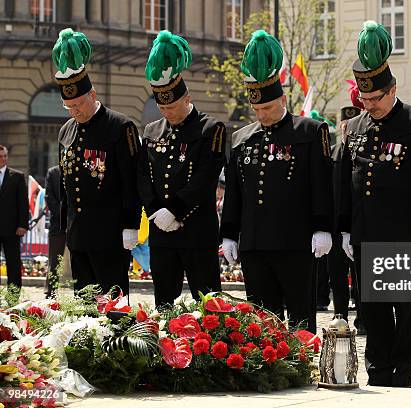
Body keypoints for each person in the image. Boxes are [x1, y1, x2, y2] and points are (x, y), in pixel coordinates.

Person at [338, 21, 411, 387]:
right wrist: (346, 227)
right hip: (367, 235)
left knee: (406, 308)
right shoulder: (355, 128)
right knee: (372, 309)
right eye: (364, 100)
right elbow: (346, 183)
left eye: (376, 99)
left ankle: (403, 370)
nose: (369, 106)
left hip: (403, 235)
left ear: (392, 89)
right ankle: (378, 369)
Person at [221, 30, 333, 333]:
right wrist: (229, 233)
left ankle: (304, 366)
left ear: (282, 99)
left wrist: (322, 227)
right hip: (255, 244)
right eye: (256, 110)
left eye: (267, 108)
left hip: (296, 243)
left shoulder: (310, 132)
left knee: (300, 317)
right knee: (261, 321)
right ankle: (271, 374)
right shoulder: (241, 138)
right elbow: (235, 191)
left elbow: (322, 183)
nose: (263, 115)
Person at [137, 31, 225, 308]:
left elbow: (205, 177)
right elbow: (143, 175)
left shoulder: (211, 129)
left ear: (186, 97)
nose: (168, 113)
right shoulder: (152, 131)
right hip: (162, 233)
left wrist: (175, 210)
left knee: (208, 302)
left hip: (197, 231)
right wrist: (154, 211)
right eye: (162, 107)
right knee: (163, 302)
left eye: (172, 106)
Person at [54, 29, 141, 296]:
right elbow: (66, 184)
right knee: (84, 306)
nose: (75, 111)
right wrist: (64, 227)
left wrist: (131, 224)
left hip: (110, 235)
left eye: (79, 104)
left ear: (92, 94)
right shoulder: (66, 131)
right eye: (69, 106)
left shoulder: (120, 126)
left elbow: (131, 179)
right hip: (78, 236)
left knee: (113, 305)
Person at [327, 104, 365, 334]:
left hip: (358, 222)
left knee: (360, 276)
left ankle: (363, 318)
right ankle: (339, 315)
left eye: (350, 128)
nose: (347, 131)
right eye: (344, 127)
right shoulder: (330, 153)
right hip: (334, 225)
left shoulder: (363, 152)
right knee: (337, 275)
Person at [0, 144, 28, 293]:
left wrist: (22, 225)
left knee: (13, 263)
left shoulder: (17, 176)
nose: (3, 159)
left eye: (5, 156)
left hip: (12, 229)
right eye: (0, 156)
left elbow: (23, 203)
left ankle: (13, 295)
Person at [44, 165, 65, 298]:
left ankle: (84, 291)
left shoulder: (79, 168)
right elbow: (49, 197)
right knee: (55, 260)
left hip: (78, 223)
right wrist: (65, 216)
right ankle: (51, 291)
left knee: (82, 260)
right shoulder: (53, 172)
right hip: (58, 224)